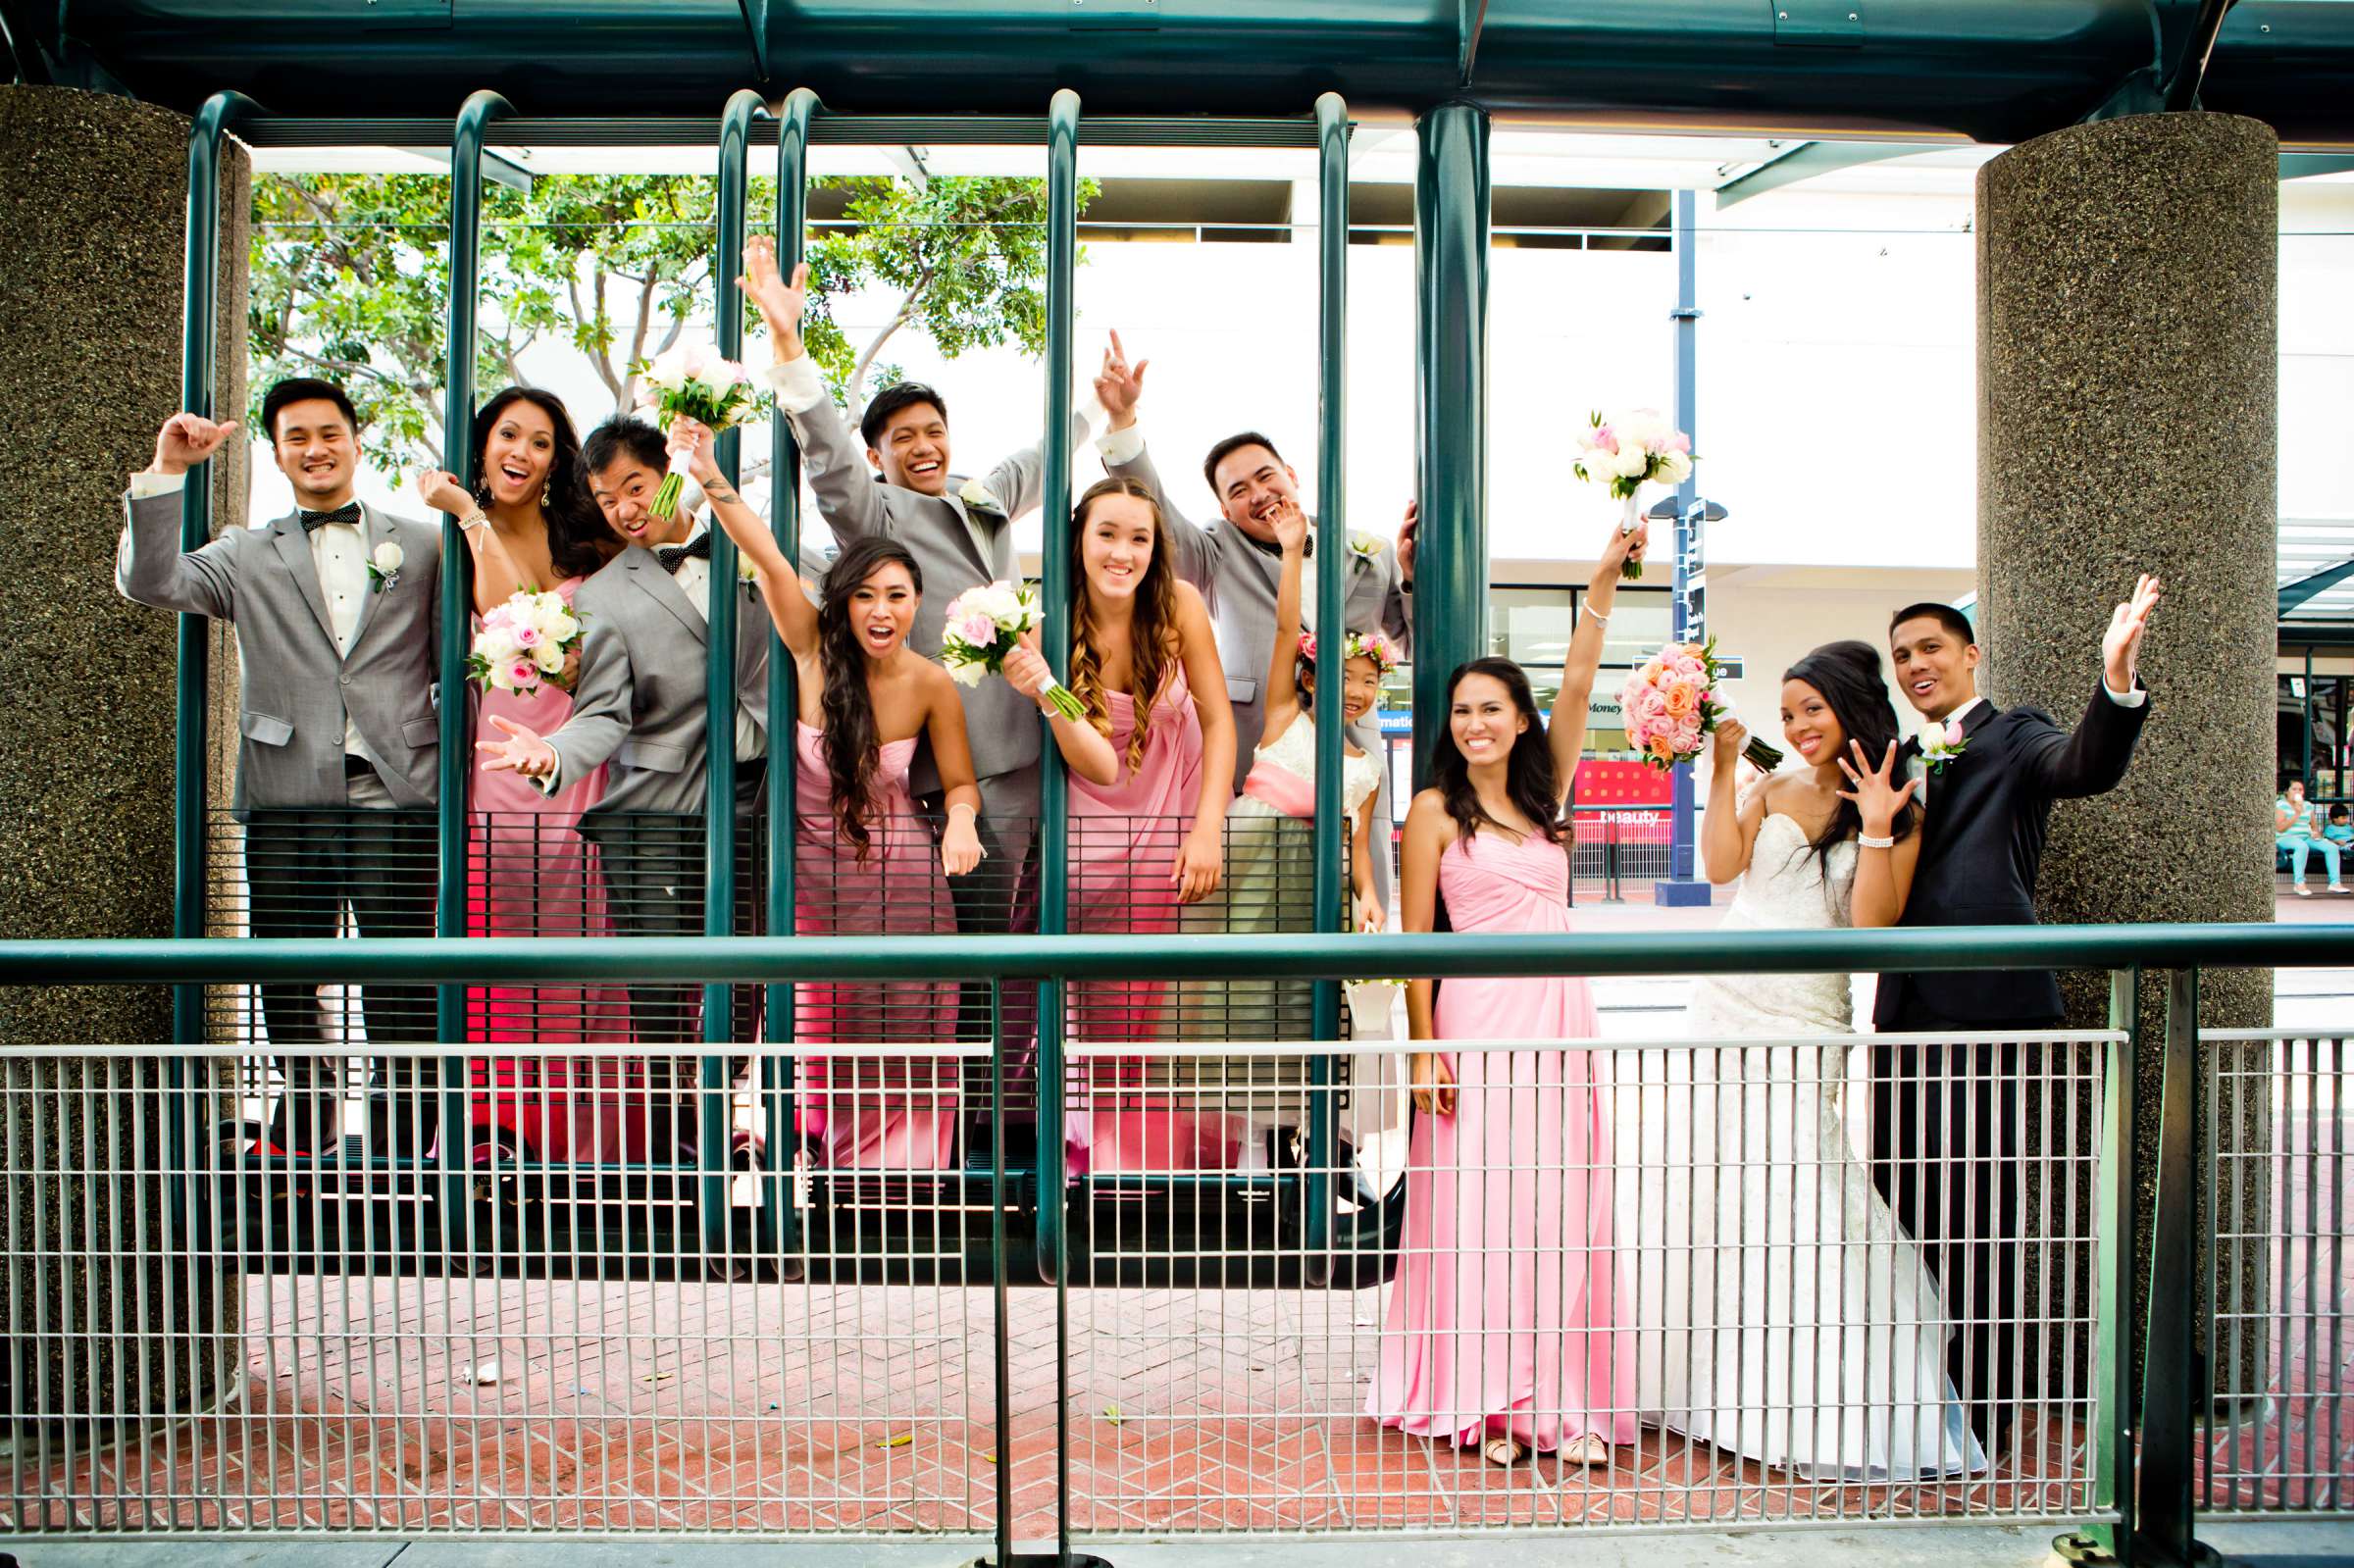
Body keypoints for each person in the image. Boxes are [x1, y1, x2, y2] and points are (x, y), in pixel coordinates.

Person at [1614, 640, 1985, 1480]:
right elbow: (1717, 867)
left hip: (1809, 1009)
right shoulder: (1769, 783)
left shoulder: (1895, 799)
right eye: (1787, 714)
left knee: (1797, 1175)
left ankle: (1799, 1393)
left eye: (1810, 708)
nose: (1797, 726)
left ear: (1851, 705)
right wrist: (1718, 767)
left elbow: (1871, 927)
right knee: (1703, 1171)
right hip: (1726, 1001)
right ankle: (1692, 1385)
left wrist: (1883, 824)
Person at [1368, 519, 1643, 1474]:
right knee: (1477, 1210)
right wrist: (1421, 1050)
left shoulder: (1545, 796)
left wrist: (1602, 577)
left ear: (1518, 719)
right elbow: (1412, 943)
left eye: (1492, 708)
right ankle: (1481, 1399)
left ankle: (1551, 1399)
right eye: (1461, 712)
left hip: (1562, 1025)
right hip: (1474, 1026)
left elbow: (1576, 683)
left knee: (1555, 1206)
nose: (1475, 724)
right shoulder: (1435, 813)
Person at [742, 236, 1093, 965]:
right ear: (879, 457)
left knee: (1023, 947)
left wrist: (1105, 409)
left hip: (1030, 752)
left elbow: (1045, 455)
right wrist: (787, 341)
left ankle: (1012, 1080)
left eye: (934, 431)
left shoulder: (979, 493)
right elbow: (829, 458)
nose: (925, 445)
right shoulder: (879, 514)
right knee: (965, 949)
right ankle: (963, 1079)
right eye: (904, 438)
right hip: (949, 771)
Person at [117, 379, 442, 1159]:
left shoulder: (425, 544)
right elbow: (149, 582)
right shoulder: (245, 552)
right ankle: (307, 1117)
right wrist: (168, 471)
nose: (316, 448)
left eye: (329, 432)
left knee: (399, 973)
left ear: (357, 441)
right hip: (284, 783)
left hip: (393, 786)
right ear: (277, 451)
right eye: (297, 436)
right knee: (287, 970)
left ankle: (404, 1132)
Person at [1873, 583, 2159, 1454]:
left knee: (1979, 1211)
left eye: (1930, 648)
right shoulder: (1894, 757)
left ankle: (1985, 1411)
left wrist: (2116, 678)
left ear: (1970, 657)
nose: (1916, 664)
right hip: (1905, 1009)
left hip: (1992, 1008)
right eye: (1902, 655)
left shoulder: (2015, 734)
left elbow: (2086, 766)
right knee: (1901, 1202)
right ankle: (1917, 1400)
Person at [474, 414, 774, 1147]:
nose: (626, 509)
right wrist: (551, 753)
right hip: (655, 814)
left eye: (634, 486)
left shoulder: (752, 544)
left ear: (667, 470)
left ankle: (719, 1109)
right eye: (608, 500)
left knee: (746, 977)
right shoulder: (605, 595)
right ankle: (676, 1138)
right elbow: (603, 714)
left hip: (759, 796)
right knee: (662, 989)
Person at [710, 460, 985, 1172]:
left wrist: (960, 821)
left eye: (896, 594)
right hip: (810, 877)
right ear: (844, 602)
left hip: (904, 883)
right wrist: (708, 470)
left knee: (907, 1021)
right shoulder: (810, 650)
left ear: (917, 601)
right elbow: (765, 554)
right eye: (865, 594)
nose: (881, 609)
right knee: (816, 1016)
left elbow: (959, 784)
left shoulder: (931, 682)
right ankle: (806, 1147)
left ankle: (903, 1166)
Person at [1090, 334, 1411, 913]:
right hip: (1260, 753)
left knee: (1356, 888)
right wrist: (1123, 420)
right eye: (1237, 491)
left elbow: (1411, 642)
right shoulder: (1214, 552)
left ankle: (1354, 996)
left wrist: (1411, 580)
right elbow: (1156, 506)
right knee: (1255, 904)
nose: (1259, 495)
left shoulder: (1373, 551)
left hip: (1350, 751)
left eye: (1267, 477)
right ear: (1223, 508)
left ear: (1291, 473)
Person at [1001, 477, 1236, 1176]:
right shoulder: (1048, 619)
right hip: (1082, 822)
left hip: (1168, 813)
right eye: (1108, 533)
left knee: (1138, 1006)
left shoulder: (1179, 607)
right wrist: (1043, 684)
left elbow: (1220, 720)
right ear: (1079, 537)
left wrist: (1207, 829)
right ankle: (1062, 1157)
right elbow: (1092, 759)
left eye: (1140, 537)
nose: (1123, 552)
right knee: (1059, 1001)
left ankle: (1126, 1166)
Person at [414, 387, 628, 1048]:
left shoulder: (587, 530)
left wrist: (688, 450)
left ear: (555, 461)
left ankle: (580, 1121)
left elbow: (661, 535)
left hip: (579, 751)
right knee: (500, 921)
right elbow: (511, 612)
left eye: (540, 442)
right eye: (509, 435)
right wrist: (469, 515)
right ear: (482, 445)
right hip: (498, 759)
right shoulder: (457, 532)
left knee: (585, 926)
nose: (522, 453)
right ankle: (499, 1116)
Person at [1179, 494, 1391, 1157]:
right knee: (1237, 1001)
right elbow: (1282, 627)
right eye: (1343, 675)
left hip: (1312, 889)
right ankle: (1244, 1154)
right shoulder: (1282, 719)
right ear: (1309, 674)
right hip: (1250, 872)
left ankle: (1303, 1150)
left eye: (1368, 682)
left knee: (1305, 1011)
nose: (1355, 691)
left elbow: (1357, 847)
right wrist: (1294, 553)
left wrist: (1370, 898)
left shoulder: (1367, 766)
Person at [2277, 777, 2345, 895]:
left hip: (2306, 837)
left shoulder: (2307, 806)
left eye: (2300, 789)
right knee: (2302, 846)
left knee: (2332, 847)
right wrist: (2297, 813)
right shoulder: (2281, 805)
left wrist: (2316, 834)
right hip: (2285, 837)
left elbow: (2314, 826)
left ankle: (2335, 883)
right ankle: (2299, 884)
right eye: (2294, 789)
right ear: (2287, 791)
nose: (2298, 792)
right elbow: (2280, 828)